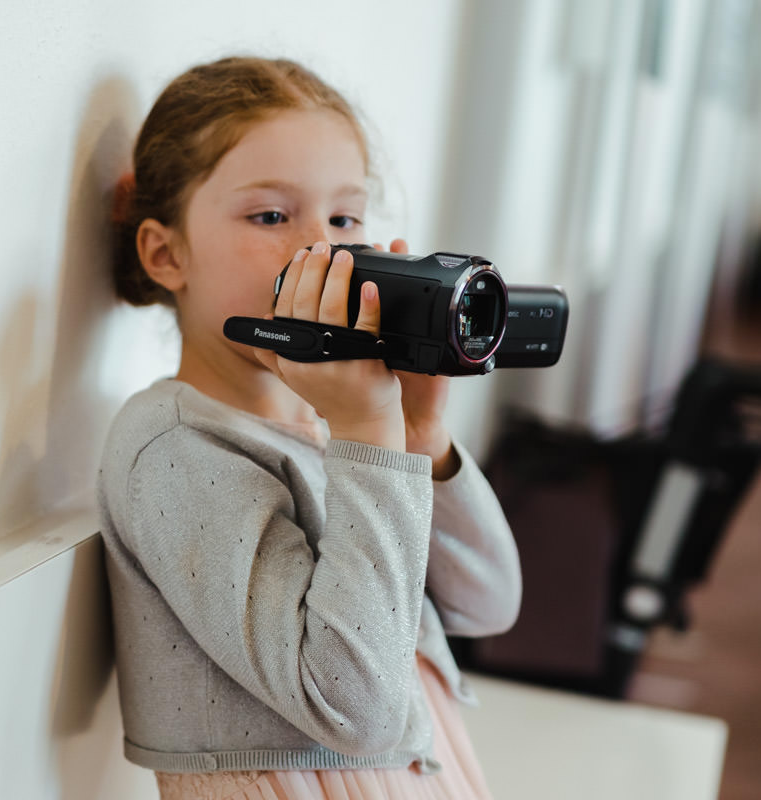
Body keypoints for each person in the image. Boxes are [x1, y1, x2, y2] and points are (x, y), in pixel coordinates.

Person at [97, 56, 522, 800]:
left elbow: (487, 603)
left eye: (345, 218)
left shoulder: (336, 431)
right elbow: (354, 711)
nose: (323, 250)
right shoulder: (174, 447)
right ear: (167, 254)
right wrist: (367, 432)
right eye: (270, 215)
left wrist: (418, 444)